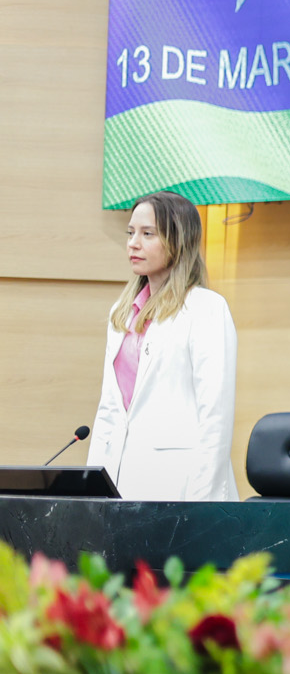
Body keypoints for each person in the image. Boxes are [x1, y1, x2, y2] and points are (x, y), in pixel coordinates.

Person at [89, 190, 238, 501]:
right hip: (120, 483)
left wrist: (203, 506)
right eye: (131, 233)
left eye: (147, 234)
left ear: (177, 241)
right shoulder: (122, 310)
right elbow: (108, 411)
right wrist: (91, 494)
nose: (133, 243)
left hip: (180, 487)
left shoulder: (206, 308)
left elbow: (215, 417)